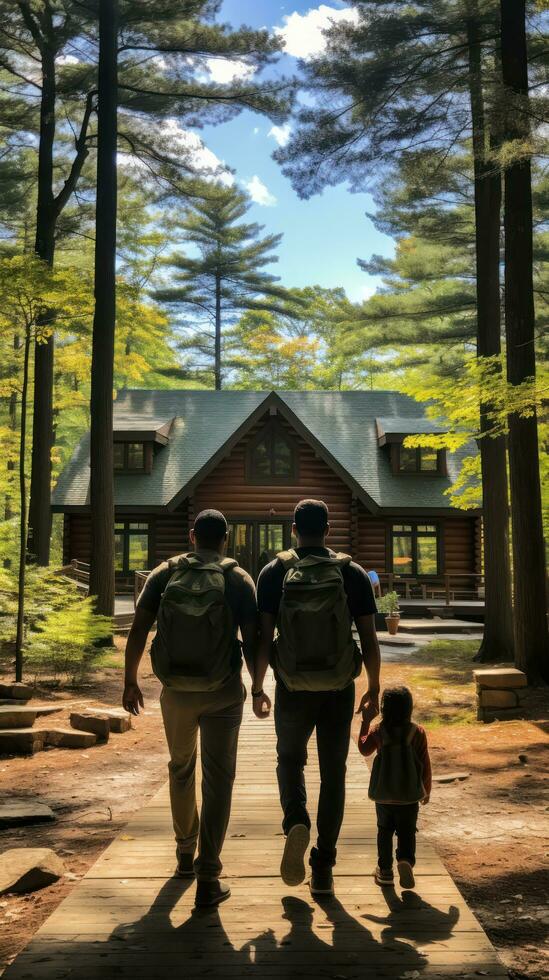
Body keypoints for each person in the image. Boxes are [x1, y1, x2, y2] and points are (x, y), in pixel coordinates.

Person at [122, 509, 258, 909]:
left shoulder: (164, 574)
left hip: (176, 692)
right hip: (223, 692)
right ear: (227, 539)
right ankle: (208, 875)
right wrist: (260, 684)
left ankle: (185, 855)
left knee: (181, 769)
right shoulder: (237, 579)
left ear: (192, 536)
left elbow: (138, 628)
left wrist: (130, 681)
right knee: (218, 780)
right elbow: (251, 640)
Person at [253, 498, 380, 897]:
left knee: (289, 760)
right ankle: (323, 866)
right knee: (334, 773)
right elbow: (370, 639)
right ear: (328, 530)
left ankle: (295, 821)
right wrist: (373, 689)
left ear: (294, 529)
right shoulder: (350, 573)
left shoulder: (275, 572)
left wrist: (258, 687)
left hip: (291, 687)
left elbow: (262, 639)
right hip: (339, 688)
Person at [359, 685, 432, 890]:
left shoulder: (378, 731)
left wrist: (365, 722)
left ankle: (385, 871)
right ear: (409, 708)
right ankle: (405, 861)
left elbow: (364, 749)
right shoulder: (416, 732)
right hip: (408, 796)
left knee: (384, 831)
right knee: (407, 831)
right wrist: (426, 789)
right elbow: (424, 764)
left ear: (383, 708)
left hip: (383, 795)